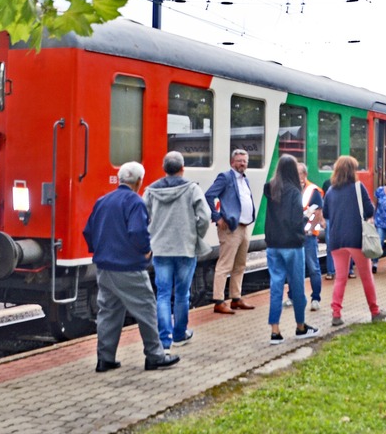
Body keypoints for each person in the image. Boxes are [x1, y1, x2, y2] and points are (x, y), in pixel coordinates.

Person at [83, 162, 180, 373]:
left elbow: (88, 231)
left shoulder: (103, 201)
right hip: (128, 267)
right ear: (139, 181)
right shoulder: (135, 202)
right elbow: (138, 232)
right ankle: (155, 355)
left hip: (104, 267)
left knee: (109, 312)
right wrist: (146, 250)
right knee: (146, 309)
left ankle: (105, 359)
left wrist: (99, 250)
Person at [144, 151, 211, 350]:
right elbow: (205, 217)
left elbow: (143, 215)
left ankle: (164, 339)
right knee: (182, 293)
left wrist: (151, 235)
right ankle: (180, 333)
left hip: (161, 249)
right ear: (182, 169)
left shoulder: (150, 190)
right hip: (185, 248)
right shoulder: (192, 189)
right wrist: (196, 234)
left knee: (163, 294)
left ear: (164, 169)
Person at [322, 156, 386, 327]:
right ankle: (375, 311)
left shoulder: (330, 191)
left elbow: (326, 214)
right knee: (366, 276)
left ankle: (336, 314)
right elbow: (369, 210)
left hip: (336, 240)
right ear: (352, 171)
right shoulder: (358, 187)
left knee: (340, 278)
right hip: (356, 238)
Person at [263, 155, 319, 343]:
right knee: (297, 286)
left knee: (276, 287)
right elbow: (294, 220)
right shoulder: (295, 191)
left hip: (273, 245)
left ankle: (275, 331)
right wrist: (307, 215)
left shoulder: (270, 188)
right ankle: (300, 327)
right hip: (293, 245)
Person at [204, 149, 257, 314]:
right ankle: (219, 301)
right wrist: (217, 217)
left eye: (245, 161)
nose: (243, 163)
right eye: (239, 160)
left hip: (244, 227)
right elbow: (209, 195)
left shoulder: (244, 179)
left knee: (240, 265)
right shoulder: (225, 177)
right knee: (224, 265)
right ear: (232, 162)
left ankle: (236, 298)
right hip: (231, 228)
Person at [297, 163, 325, 310]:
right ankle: (292, 296)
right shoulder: (291, 188)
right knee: (295, 268)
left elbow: (318, 212)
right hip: (294, 235)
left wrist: (310, 229)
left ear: (304, 175)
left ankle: (315, 298)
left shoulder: (312, 190)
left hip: (308, 236)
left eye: (298, 173)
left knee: (313, 267)